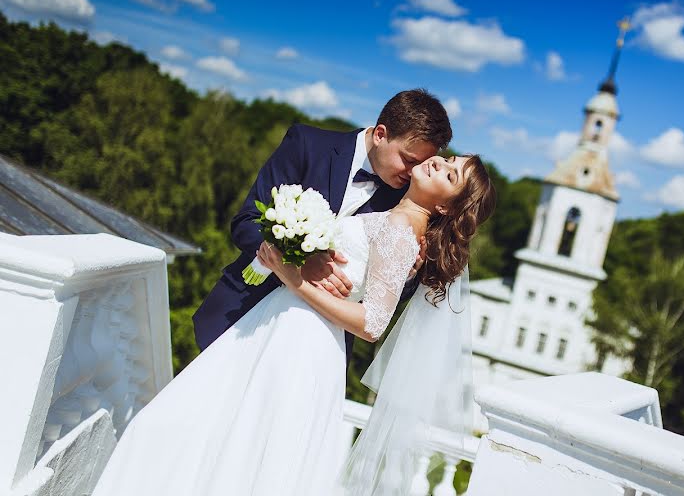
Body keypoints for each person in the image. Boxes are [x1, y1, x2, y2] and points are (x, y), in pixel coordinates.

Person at [92, 154, 496, 495]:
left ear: (446, 207)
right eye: (447, 158)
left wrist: (292, 277)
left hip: (302, 340)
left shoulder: (402, 229)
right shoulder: (398, 220)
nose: (439, 162)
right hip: (282, 328)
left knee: (237, 445)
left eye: (450, 173)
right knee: (219, 435)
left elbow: (372, 323)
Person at [192, 88, 452, 364]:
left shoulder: (408, 200)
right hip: (241, 315)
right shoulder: (307, 144)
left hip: (315, 346)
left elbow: (379, 308)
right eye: (408, 159)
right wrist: (301, 262)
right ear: (380, 134)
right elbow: (246, 223)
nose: (413, 172)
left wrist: (405, 275)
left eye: (421, 164)